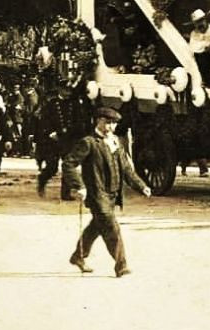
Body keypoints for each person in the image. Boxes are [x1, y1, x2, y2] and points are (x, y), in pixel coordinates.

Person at [63, 107, 150, 277]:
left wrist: (141, 185)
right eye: (107, 122)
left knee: (97, 225)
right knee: (111, 227)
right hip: (97, 194)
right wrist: (79, 186)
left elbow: (126, 169)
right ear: (98, 121)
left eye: (114, 123)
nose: (110, 127)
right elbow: (68, 164)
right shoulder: (88, 142)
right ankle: (121, 265)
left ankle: (78, 256)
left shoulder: (116, 141)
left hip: (113, 194)